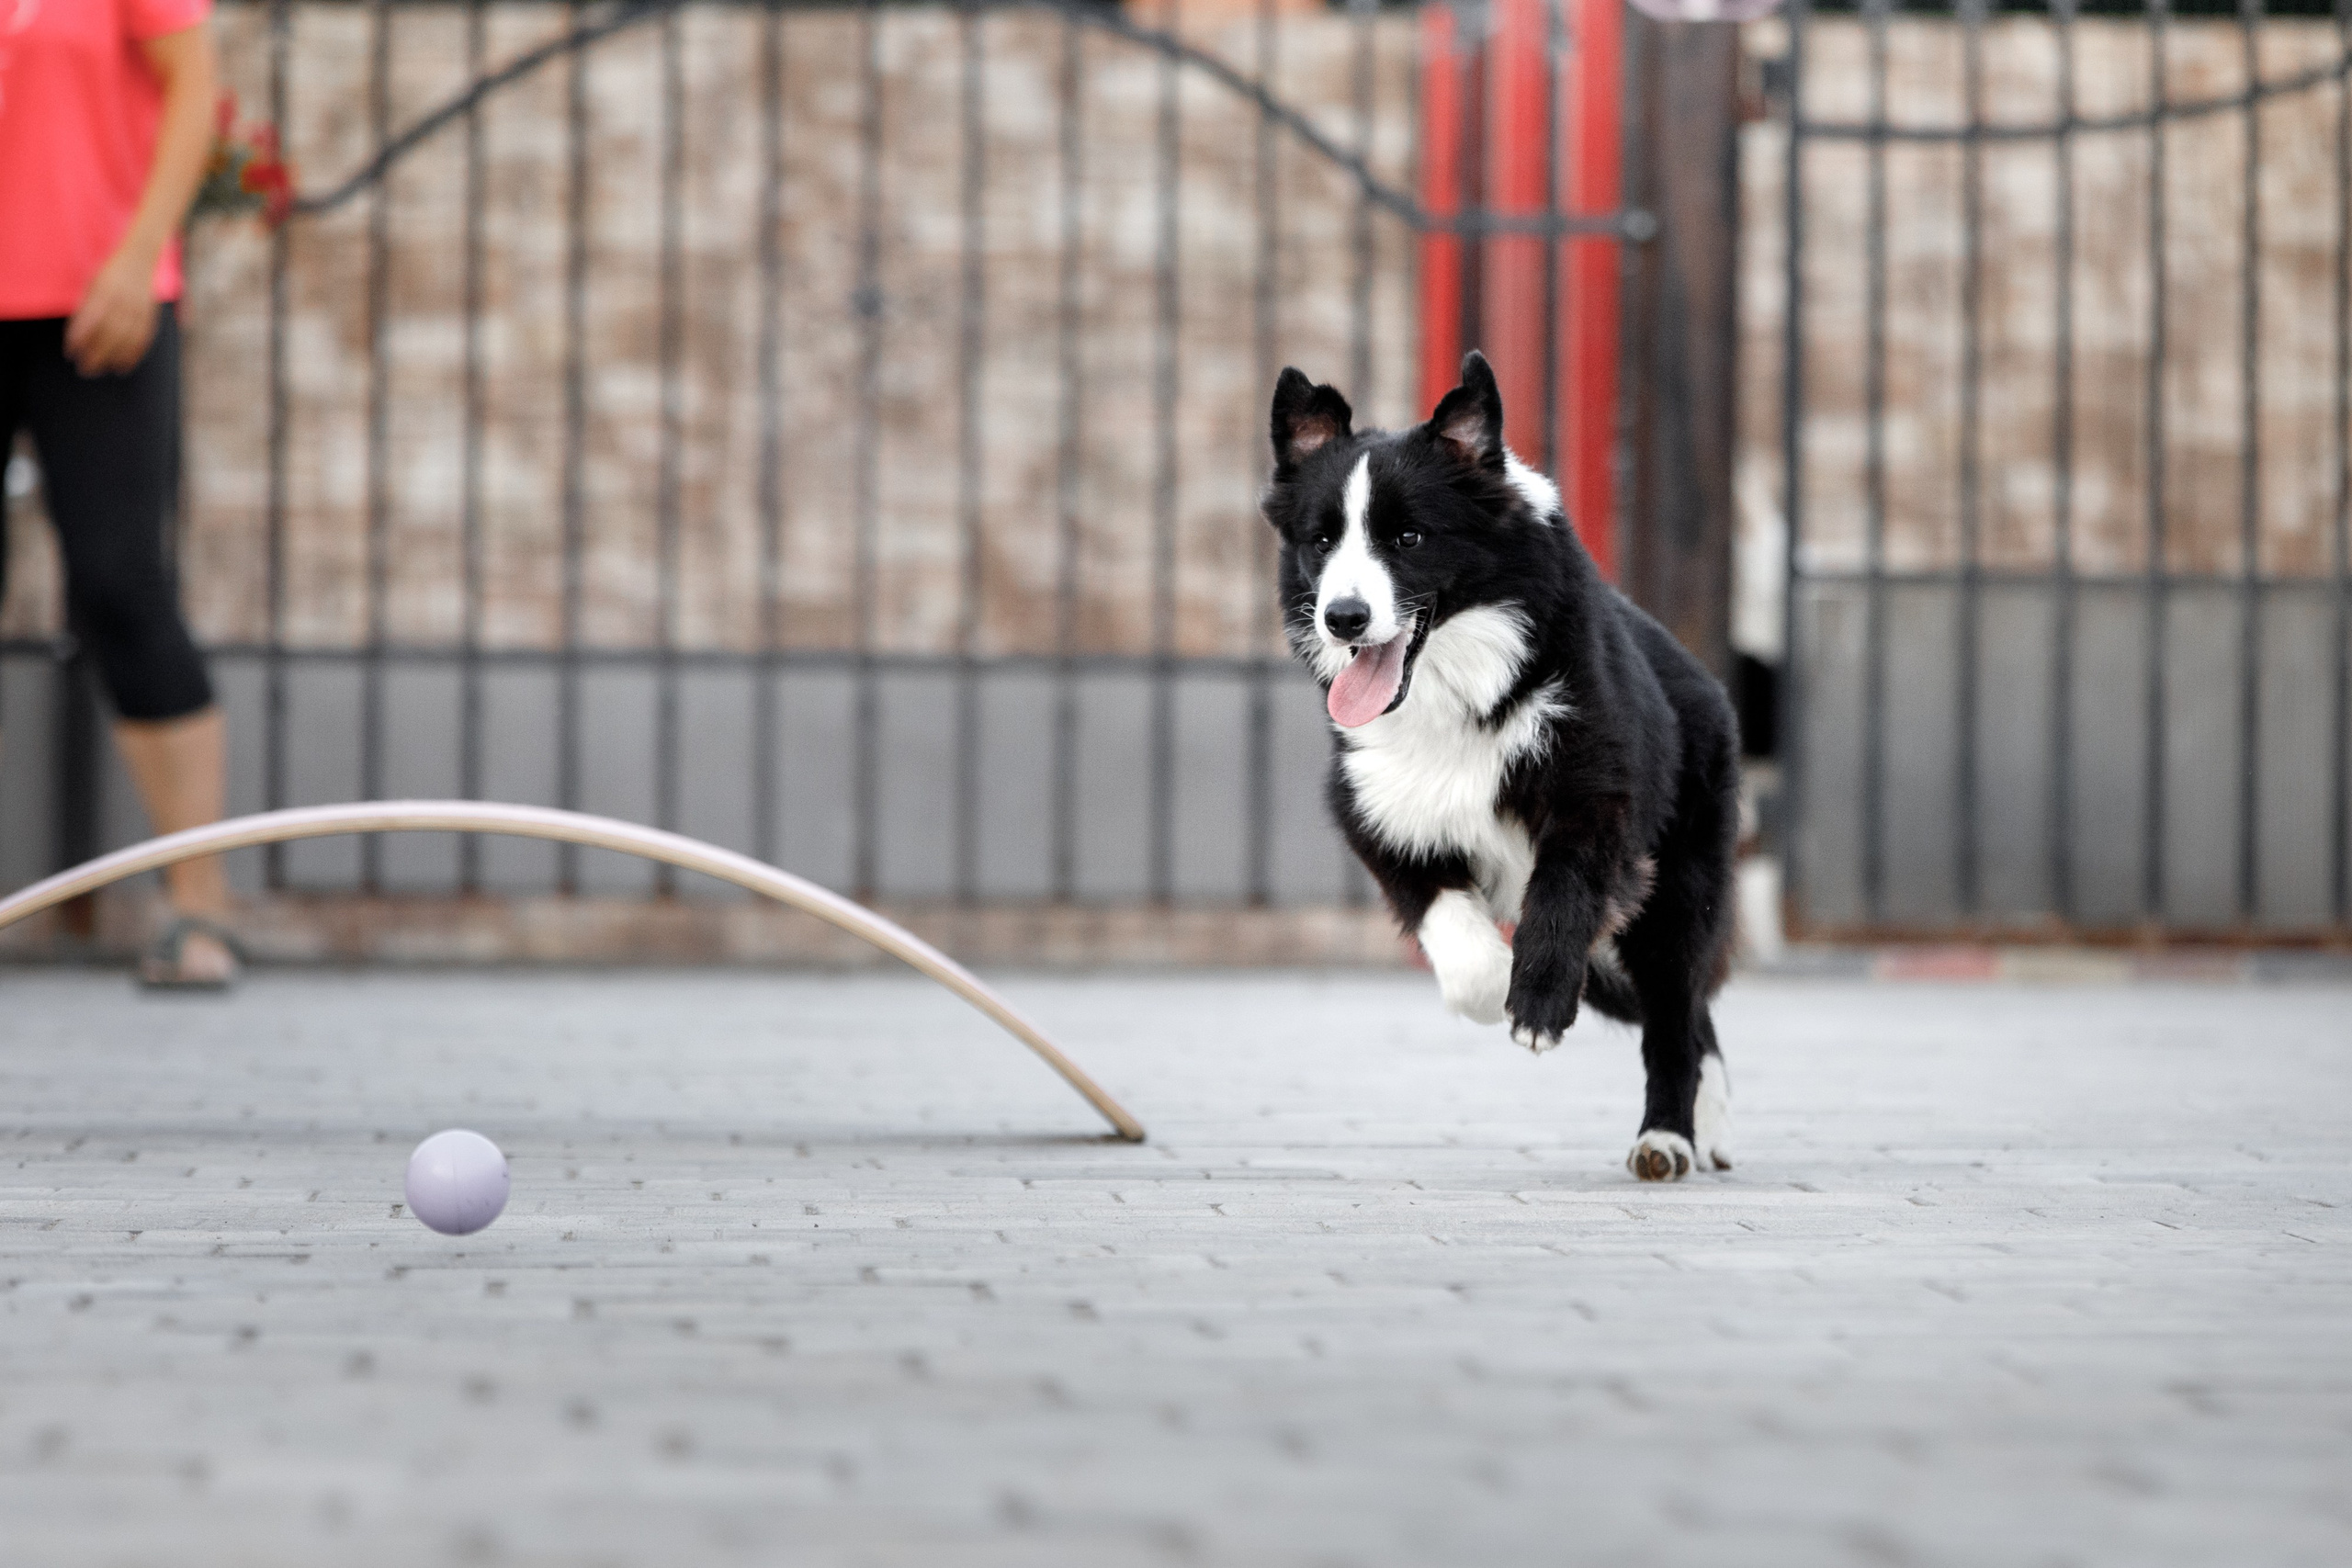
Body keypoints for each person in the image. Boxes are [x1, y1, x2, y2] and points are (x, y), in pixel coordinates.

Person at [1, 0, 236, 987]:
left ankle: (199, 909)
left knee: (121, 586)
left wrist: (141, 256)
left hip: (101, 300)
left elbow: (193, 85)